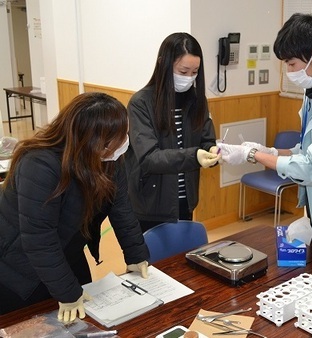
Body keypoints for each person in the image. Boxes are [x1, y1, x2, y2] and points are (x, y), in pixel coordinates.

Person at [218, 13, 312, 260]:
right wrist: (270, 152)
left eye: (291, 63)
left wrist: (253, 154)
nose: (288, 71)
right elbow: (307, 150)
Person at [0, 92, 150, 319]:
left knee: (84, 322)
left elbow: (121, 209)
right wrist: (67, 293)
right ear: (90, 140)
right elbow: (39, 239)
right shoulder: (39, 164)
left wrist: (136, 255)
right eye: (115, 139)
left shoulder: (108, 158)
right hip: (20, 269)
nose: (123, 143)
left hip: (69, 252)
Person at [125, 32, 220, 232]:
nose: (189, 78)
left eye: (194, 72)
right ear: (163, 64)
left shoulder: (196, 100)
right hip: (150, 204)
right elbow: (150, 158)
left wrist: (213, 150)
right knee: (154, 262)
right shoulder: (140, 103)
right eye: (183, 71)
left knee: (180, 260)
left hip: (185, 200)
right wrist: (194, 156)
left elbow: (206, 139)